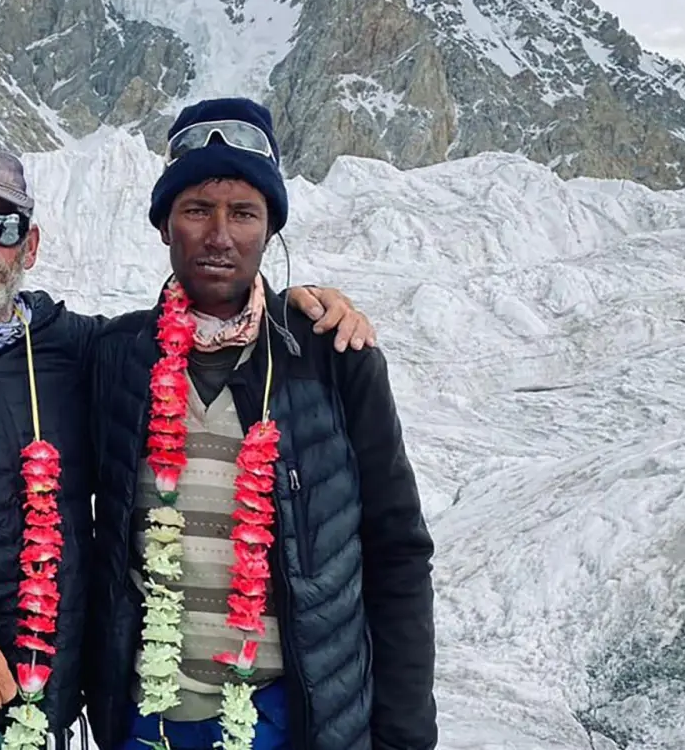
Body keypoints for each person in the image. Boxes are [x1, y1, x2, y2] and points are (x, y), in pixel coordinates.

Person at [0, 140, 378, 750]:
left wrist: (298, 308)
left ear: (29, 246)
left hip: (41, 722)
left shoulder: (77, 353)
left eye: (4, 225)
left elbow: (191, 331)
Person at [83, 98, 437, 750]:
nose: (220, 235)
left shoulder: (333, 360)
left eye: (243, 213)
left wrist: (406, 737)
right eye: (196, 210)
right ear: (165, 226)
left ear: (270, 229)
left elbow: (397, 555)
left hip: (290, 720)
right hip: (149, 721)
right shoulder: (114, 359)